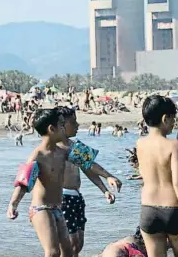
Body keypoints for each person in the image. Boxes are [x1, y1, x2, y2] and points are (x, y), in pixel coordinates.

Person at [56, 107, 123, 257]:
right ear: (61, 125)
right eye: (73, 122)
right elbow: (89, 163)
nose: (77, 125)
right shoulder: (56, 147)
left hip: (76, 197)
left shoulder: (75, 144)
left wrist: (104, 190)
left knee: (78, 244)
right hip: (63, 198)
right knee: (69, 245)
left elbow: (87, 167)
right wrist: (109, 176)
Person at [7, 108, 73, 257]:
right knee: (52, 252)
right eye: (62, 125)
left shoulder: (63, 152)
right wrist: (13, 204)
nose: (65, 128)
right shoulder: (38, 155)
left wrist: (107, 177)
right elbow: (23, 182)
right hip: (41, 208)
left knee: (68, 252)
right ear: (51, 129)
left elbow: (88, 164)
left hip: (57, 207)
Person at [136, 95, 178, 257]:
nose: (174, 123)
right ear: (165, 118)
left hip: (148, 209)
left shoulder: (140, 143)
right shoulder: (173, 145)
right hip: (172, 209)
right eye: (173, 119)